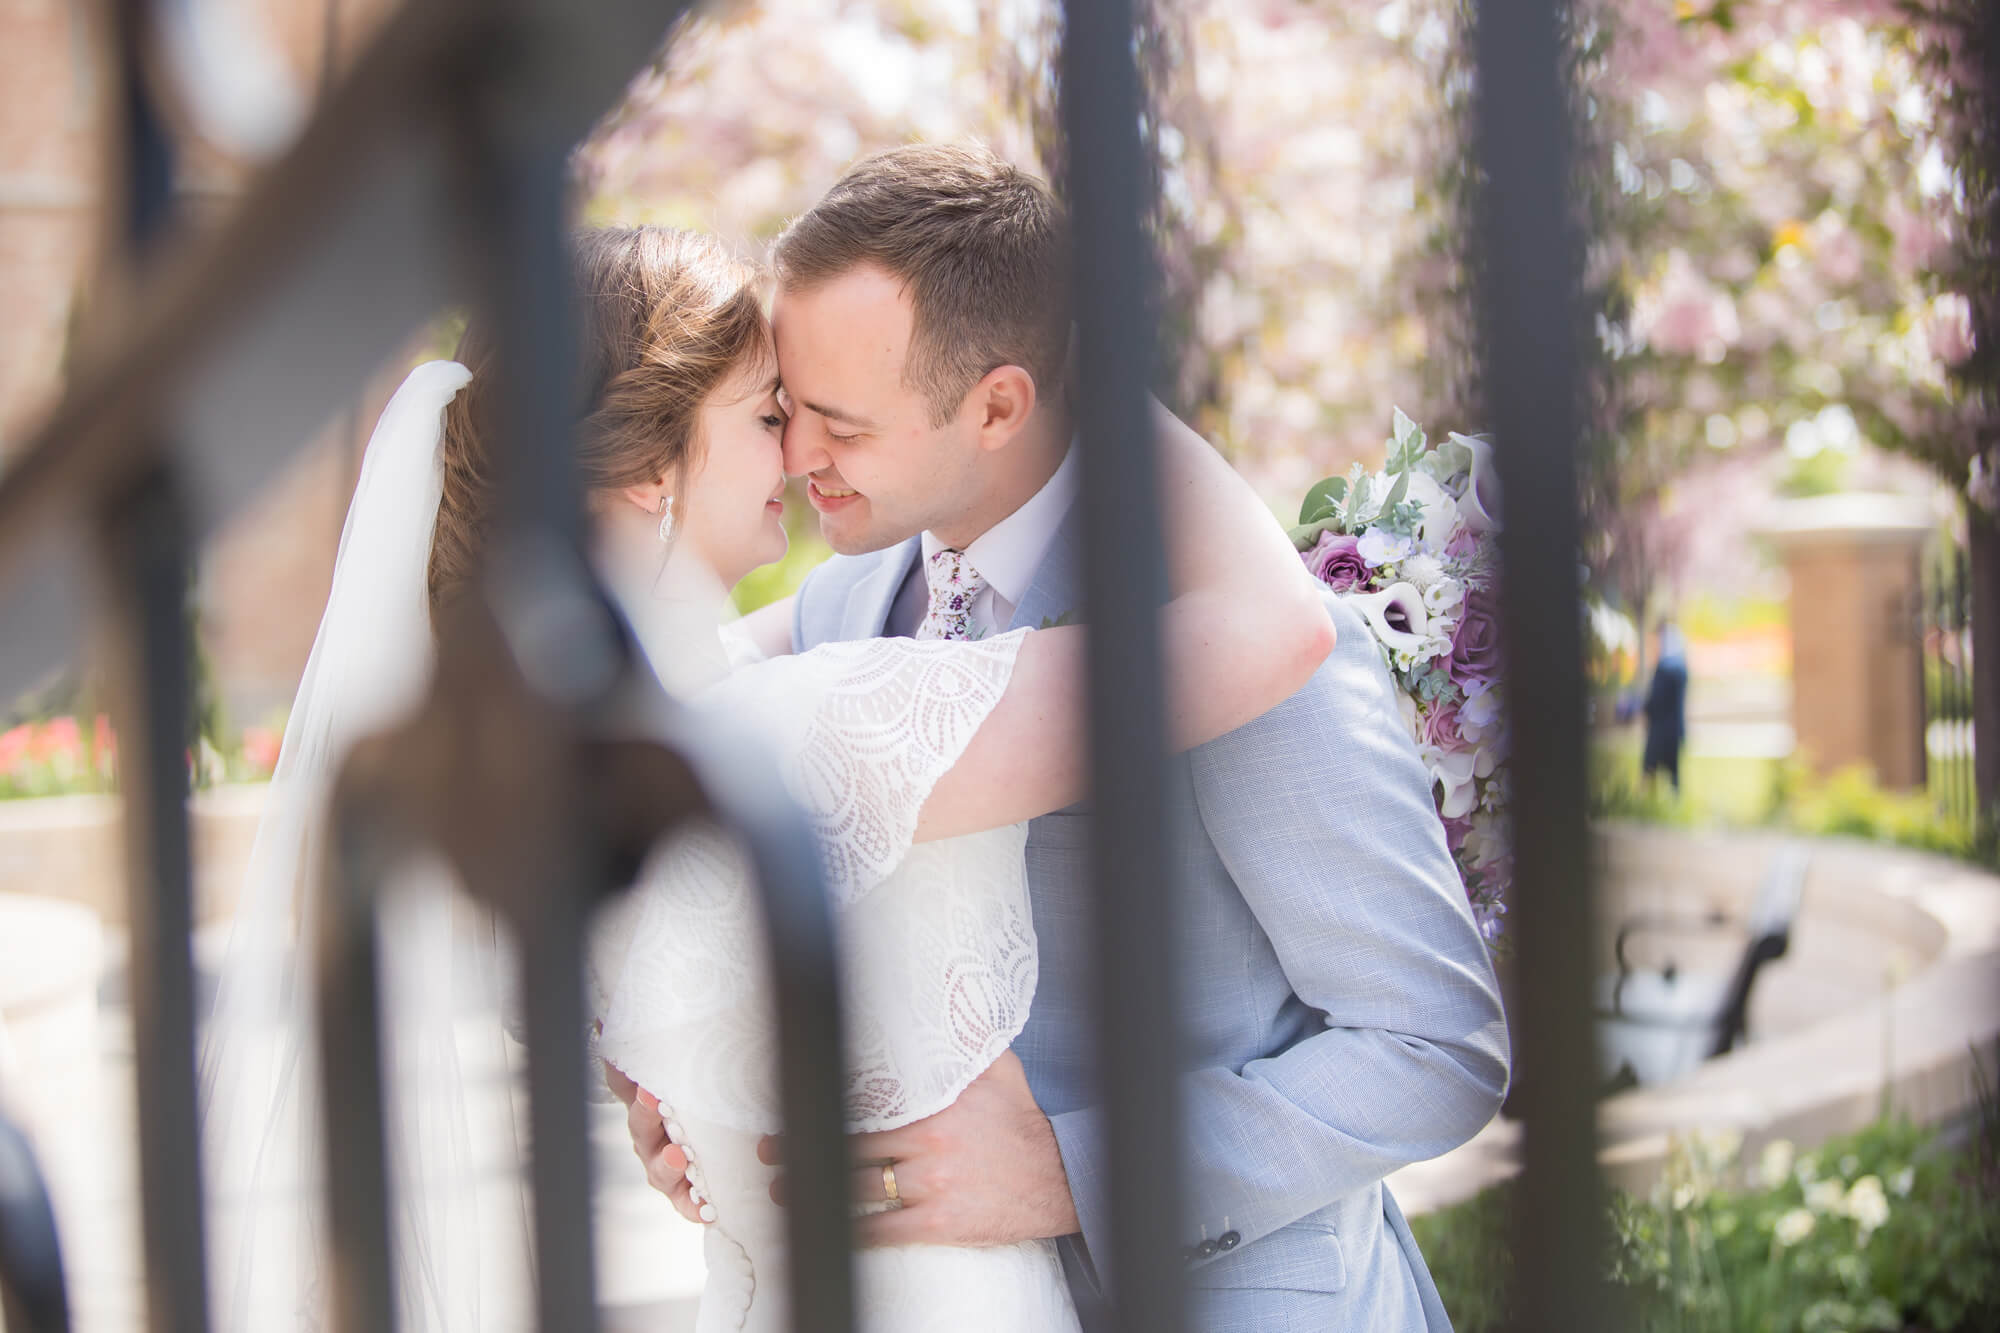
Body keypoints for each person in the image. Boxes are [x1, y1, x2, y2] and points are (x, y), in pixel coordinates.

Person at [201, 223, 1334, 1332]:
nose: (795, 453)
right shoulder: (810, 728)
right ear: (649, 469)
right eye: (765, 415)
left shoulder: (559, 756)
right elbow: (1272, 626)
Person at [622, 143, 1511, 1331]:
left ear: (998, 403)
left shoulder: (1227, 637)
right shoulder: (846, 606)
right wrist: (701, 1095)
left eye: (837, 422)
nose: (792, 459)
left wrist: (1066, 1171)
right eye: (782, 410)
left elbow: (1434, 1043)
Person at [1642, 621, 1689, 792]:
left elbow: (1655, 701)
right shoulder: (1681, 668)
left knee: (1649, 770)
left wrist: (1643, 707)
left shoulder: (1664, 670)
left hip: (1660, 730)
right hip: (1675, 729)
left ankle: (1648, 805)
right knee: (1673, 776)